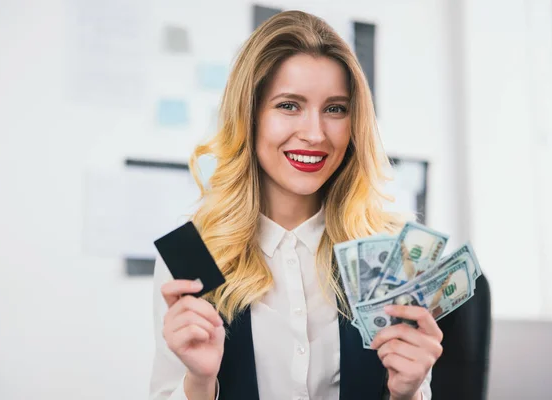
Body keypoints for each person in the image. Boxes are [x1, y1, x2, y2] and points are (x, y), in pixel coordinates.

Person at [150, 10, 443, 400]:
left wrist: (408, 394)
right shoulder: (194, 253)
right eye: (289, 105)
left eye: (335, 109)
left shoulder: (387, 252)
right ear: (249, 116)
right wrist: (200, 384)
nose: (314, 133)